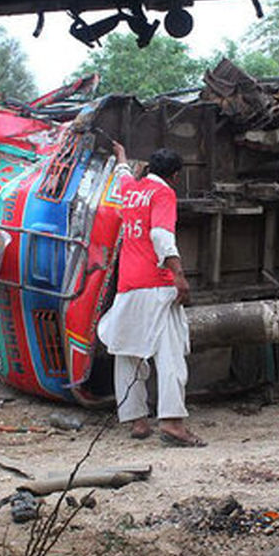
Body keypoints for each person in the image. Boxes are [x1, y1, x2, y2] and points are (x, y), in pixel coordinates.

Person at [96, 143, 205, 447]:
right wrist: (178, 275)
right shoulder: (163, 193)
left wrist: (120, 157)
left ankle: (136, 420)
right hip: (156, 284)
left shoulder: (132, 189)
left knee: (127, 351)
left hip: (128, 285)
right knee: (170, 353)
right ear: (175, 175)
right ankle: (171, 423)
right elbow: (160, 234)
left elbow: (121, 175)